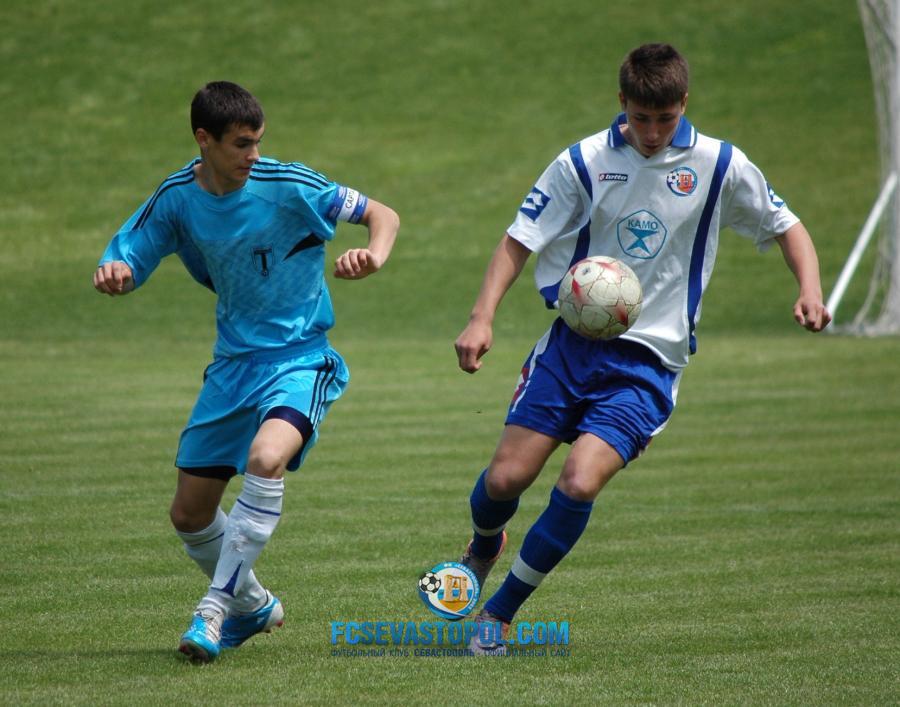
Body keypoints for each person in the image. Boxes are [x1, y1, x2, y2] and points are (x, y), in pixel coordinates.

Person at [452, 43, 830, 655]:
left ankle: (499, 613)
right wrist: (480, 318)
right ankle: (484, 544)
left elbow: (787, 225)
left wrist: (809, 290)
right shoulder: (584, 161)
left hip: (649, 363)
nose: (653, 133)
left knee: (579, 482)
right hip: (571, 349)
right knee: (505, 479)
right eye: (641, 118)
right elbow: (519, 239)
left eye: (666, 119)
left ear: (684, 104)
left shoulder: (719, 164)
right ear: (622, 103)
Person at [93, 81, 399, 663]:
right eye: (240, 144)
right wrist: (117, 272)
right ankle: (253, 605)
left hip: (300, 359)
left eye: (258, 141)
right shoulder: (178, 197)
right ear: (203, 140)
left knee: (265, 458)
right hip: (233, 367)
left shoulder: (290, 183)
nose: (253, 155)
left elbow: (382, 214)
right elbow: (131, 251)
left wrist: (374, 255)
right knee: (189, 513)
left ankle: (213, 608)